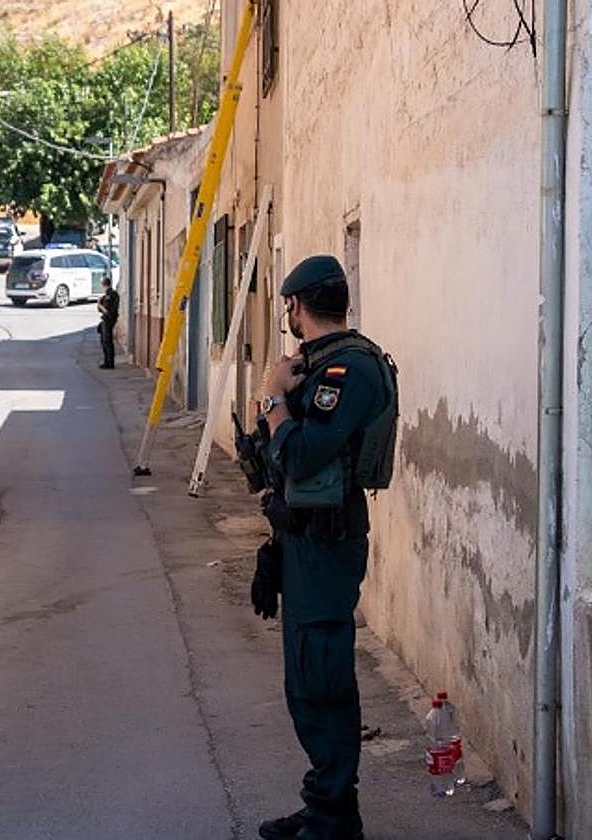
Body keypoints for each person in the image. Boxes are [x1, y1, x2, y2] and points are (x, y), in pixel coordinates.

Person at [254, 255, 397, 840]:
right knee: (307, 678)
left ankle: (337, 816)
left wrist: (272, 400)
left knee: (323, 677)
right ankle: (324, 803)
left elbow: (303, 453)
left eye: (287, 305)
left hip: (328, 542)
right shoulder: (318, 364)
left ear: (296, 305)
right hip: (303, 540)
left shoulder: (350, 370)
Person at [97, 277, 119, 369]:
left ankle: (109, 363)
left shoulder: (110, 295)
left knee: (107, 342)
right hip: (107, 320)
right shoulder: (109, 295)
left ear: (103, 285)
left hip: (108, 320)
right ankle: (107, 362)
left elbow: (107, 310)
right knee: (105, 341)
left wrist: (99, 305)